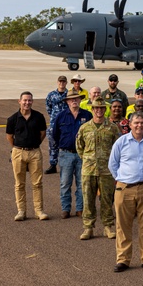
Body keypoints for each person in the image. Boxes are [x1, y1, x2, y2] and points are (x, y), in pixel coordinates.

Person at [107, 111, 143, 272]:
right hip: (124, 188)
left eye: (142, 123)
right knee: (123, 226)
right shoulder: (121, 142)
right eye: (136, 123)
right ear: (130, 124)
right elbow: (113, 164)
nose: (139, 125)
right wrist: (123, 179)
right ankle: (123, 259)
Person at [75, 98, 120, 240]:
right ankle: (88, 227)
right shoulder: (85, 127)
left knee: (107, 199)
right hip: (88, 169)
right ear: (92, 109)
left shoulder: (112, 128)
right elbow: (79, 147)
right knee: (88, 199)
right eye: (96, 108)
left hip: (106, 170)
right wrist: (88, 159)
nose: (99, 110)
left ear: (104, 110)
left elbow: (117, 148)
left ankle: (108, 227)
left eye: (101, 108)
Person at [6, 91, 49, 221]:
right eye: (24, 100)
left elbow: (43, 133)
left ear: (32, 102)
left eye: (29, 100)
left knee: (37, 183)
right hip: (18, 152)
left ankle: (39, 211)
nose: (27, 103)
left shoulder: (38, 117)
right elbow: (9, 136)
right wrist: (18, 147)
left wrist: (34, 144)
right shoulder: (12, 119)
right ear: (19, 101)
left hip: (35, 152)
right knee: (19, 184)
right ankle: (21, 211)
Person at [50, 89, 91, 219]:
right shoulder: (61, 116)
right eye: (71, 99)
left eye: (77, 98)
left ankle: (80, 209)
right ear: (67, 101)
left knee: (81, 183)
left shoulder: (87, 115)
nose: (74, 101)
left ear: (80, 100)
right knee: (65, 183)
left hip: (82, 155)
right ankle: (66, 208)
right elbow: (55, 135)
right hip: (66, 154)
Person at [44, 75, 69, 174]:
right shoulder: (51, 94)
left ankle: (66, 165)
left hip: (66, 123)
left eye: (63, 82)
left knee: (66, 144)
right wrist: (54, 116)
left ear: (66, 83)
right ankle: (53, 164)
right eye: (60, 82)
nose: (62, 83)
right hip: (54, 123)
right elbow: (48, 107)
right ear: (57, 82)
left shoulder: (69, 94)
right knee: (52, 144)